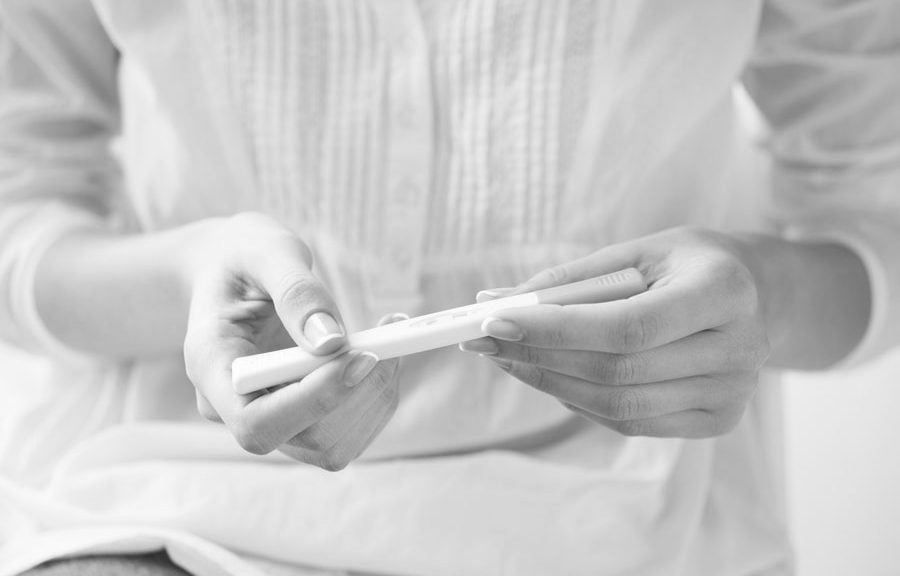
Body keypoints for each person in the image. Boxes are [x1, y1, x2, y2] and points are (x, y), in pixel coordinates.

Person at [0, 1, 897, 575]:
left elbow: (873, 206)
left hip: (628, 514)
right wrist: (189, 281)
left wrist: (763, 299)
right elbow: (22, 202)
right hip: (165, 494)